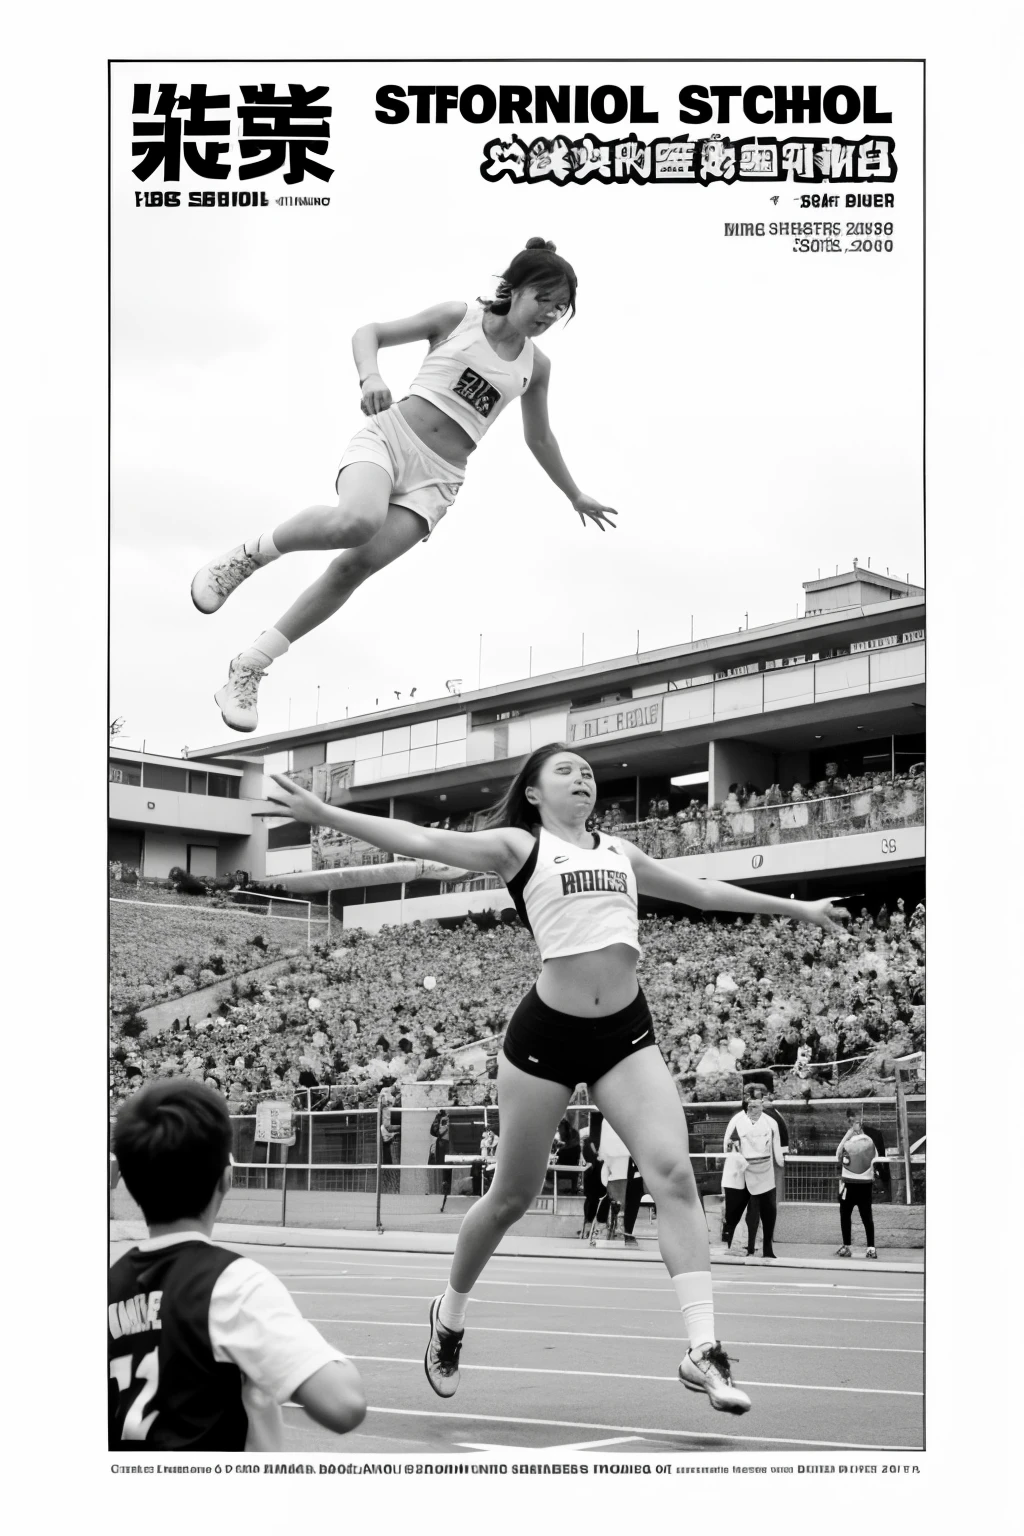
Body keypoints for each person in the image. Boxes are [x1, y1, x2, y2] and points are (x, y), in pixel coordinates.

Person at [258, 743, 848, 1417]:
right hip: (544, 1040)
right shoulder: (520, 846)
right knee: (512, 1196)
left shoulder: (620, 853)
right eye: (564, 769)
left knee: (675, 1174)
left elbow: (706, 892)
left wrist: (802, 911)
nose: (582, 775)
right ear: (534, 792)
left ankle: (702, 1348)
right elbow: (422, 838)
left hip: (624, 1035)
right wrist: (323, 811)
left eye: (588, 770)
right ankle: (448, 1316)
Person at [192, 237, 618, 732]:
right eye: (542, 298)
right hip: (390, 438)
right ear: (516, 289)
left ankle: (249, 667)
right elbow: (367, 332)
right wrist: (370, 377)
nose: (548, 313)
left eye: (560, 307)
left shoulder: (535, 367)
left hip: (438, 480)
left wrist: (574, 493)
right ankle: (247, 557)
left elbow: (539, 436)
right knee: (356, 521)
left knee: (354, 568)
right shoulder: (459, 317)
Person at [109, 1079, 366, 1450]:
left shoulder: (111, 1284)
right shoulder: (233, 1285)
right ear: (227, 1178)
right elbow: (344, 1404)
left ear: (130, 1185)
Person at [723, 1091, 785, 1259]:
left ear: (762, 1105)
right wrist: (735, 1154)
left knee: (768, 1212)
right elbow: (728, 1145)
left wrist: (781, 1161)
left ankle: (767, 1249)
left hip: (764, 1173)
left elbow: (777, 1148)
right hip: (741, 1173)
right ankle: (735, 1245)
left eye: (756, 1105)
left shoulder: (771, 1122)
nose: (753, 1108)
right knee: (734, 1212)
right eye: (750, 1105)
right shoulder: (737, 1121)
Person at [835, 1106, 879, 1258]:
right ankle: (871, 1248)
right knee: (867, 1216)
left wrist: (847, 1135)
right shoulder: (871, 1139)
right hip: (866, 1184)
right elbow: (877, 1159)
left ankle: (847, 1246)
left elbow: (838, 1155)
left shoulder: (849, 1141)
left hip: (849, 1183)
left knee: (845, 1215)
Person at [718, 1135, 749, 1253]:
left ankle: (729, 1241)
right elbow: (746, 1165)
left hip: (730, 1186)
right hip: (736, 1187)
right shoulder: (738, 1156)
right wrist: (738, 1172)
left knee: (731, 1214)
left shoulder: (730, 1156)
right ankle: (731, 1241)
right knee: (734, 1215)